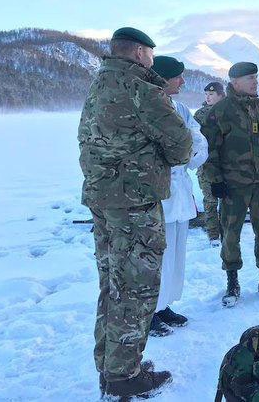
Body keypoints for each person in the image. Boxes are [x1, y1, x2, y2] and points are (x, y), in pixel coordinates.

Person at [78, 27, 193, 398]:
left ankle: (110, 365)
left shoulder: (98, 87)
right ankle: (124, 377)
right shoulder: (142, 89)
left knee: (112, 285)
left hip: (102, 201)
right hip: (135, 206)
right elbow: (181, 145)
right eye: (150, 53)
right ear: (141, 53)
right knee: (137, 288)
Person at [201, 62, 259, 307]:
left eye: (256, 77)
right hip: (233, 186)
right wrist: (215, 181)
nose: (255, 82)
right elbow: (209, 150)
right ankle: (232, 281)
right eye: (250, 78)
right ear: (235, 81)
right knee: (230, 234)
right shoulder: (220, 112)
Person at [148, 56, 208, 336]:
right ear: (163, 78)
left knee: (176, 252)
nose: (183, 82)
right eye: (178, 77)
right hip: (158, 192)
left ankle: (164, 305)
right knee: (159, 254)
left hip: (180, 190)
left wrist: (187, 152)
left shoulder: (181, 108)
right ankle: (148, 311)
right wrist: (182, 151)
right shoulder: (149, 107)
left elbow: (197, 142)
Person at [193, 82, 226, 247]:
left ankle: (227, 232)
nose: (207, 97)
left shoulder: (229, 111)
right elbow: (193, 137)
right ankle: (213, 234)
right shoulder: (199, 114)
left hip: (227, 164)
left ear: (221, 95)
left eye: (211, 94)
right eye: (206, 94)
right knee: (210, 200)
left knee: (227, 201)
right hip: (206, 165)